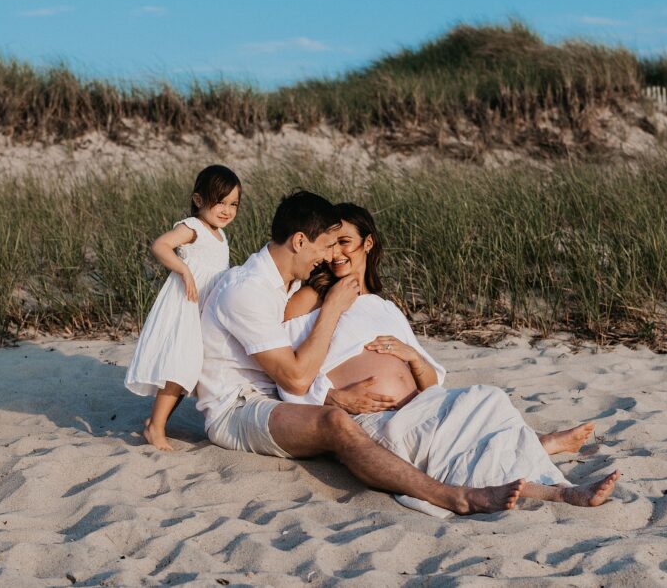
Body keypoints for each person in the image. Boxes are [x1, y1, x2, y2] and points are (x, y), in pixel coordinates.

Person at [195, 190, 525, 515]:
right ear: (299, 242)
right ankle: (450, 497)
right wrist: (333, 309)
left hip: (276, 396)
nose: (328, 257)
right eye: (325, 246)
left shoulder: (288, 282)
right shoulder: (246, 291)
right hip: (238, 408)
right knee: (335, 423)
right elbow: (296, 379)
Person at [281, 203, 620, 516]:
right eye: (331, 244)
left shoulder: (387, 308)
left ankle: (549, 465)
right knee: (451, 446)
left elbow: (432, 382)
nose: (337, 252)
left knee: (490, 398)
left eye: (346, 242)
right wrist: (333, 397)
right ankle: (556, 492)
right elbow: (288, 370)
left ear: (367, 244)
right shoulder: (310, 298)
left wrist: (414, 358)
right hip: (380, 418)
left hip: (427, 403)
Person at [125, 165, 241, 451]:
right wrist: (184, 271)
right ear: (199, 200)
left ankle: (157, 422)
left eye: (233, 204)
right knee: (180, 369)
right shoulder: (193, 227)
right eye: (220, 201)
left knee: (189, 372)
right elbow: (161, 246)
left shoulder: (220, 235)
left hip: (204, 309)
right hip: (185, 305)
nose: (226, 210)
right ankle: (156, 427)